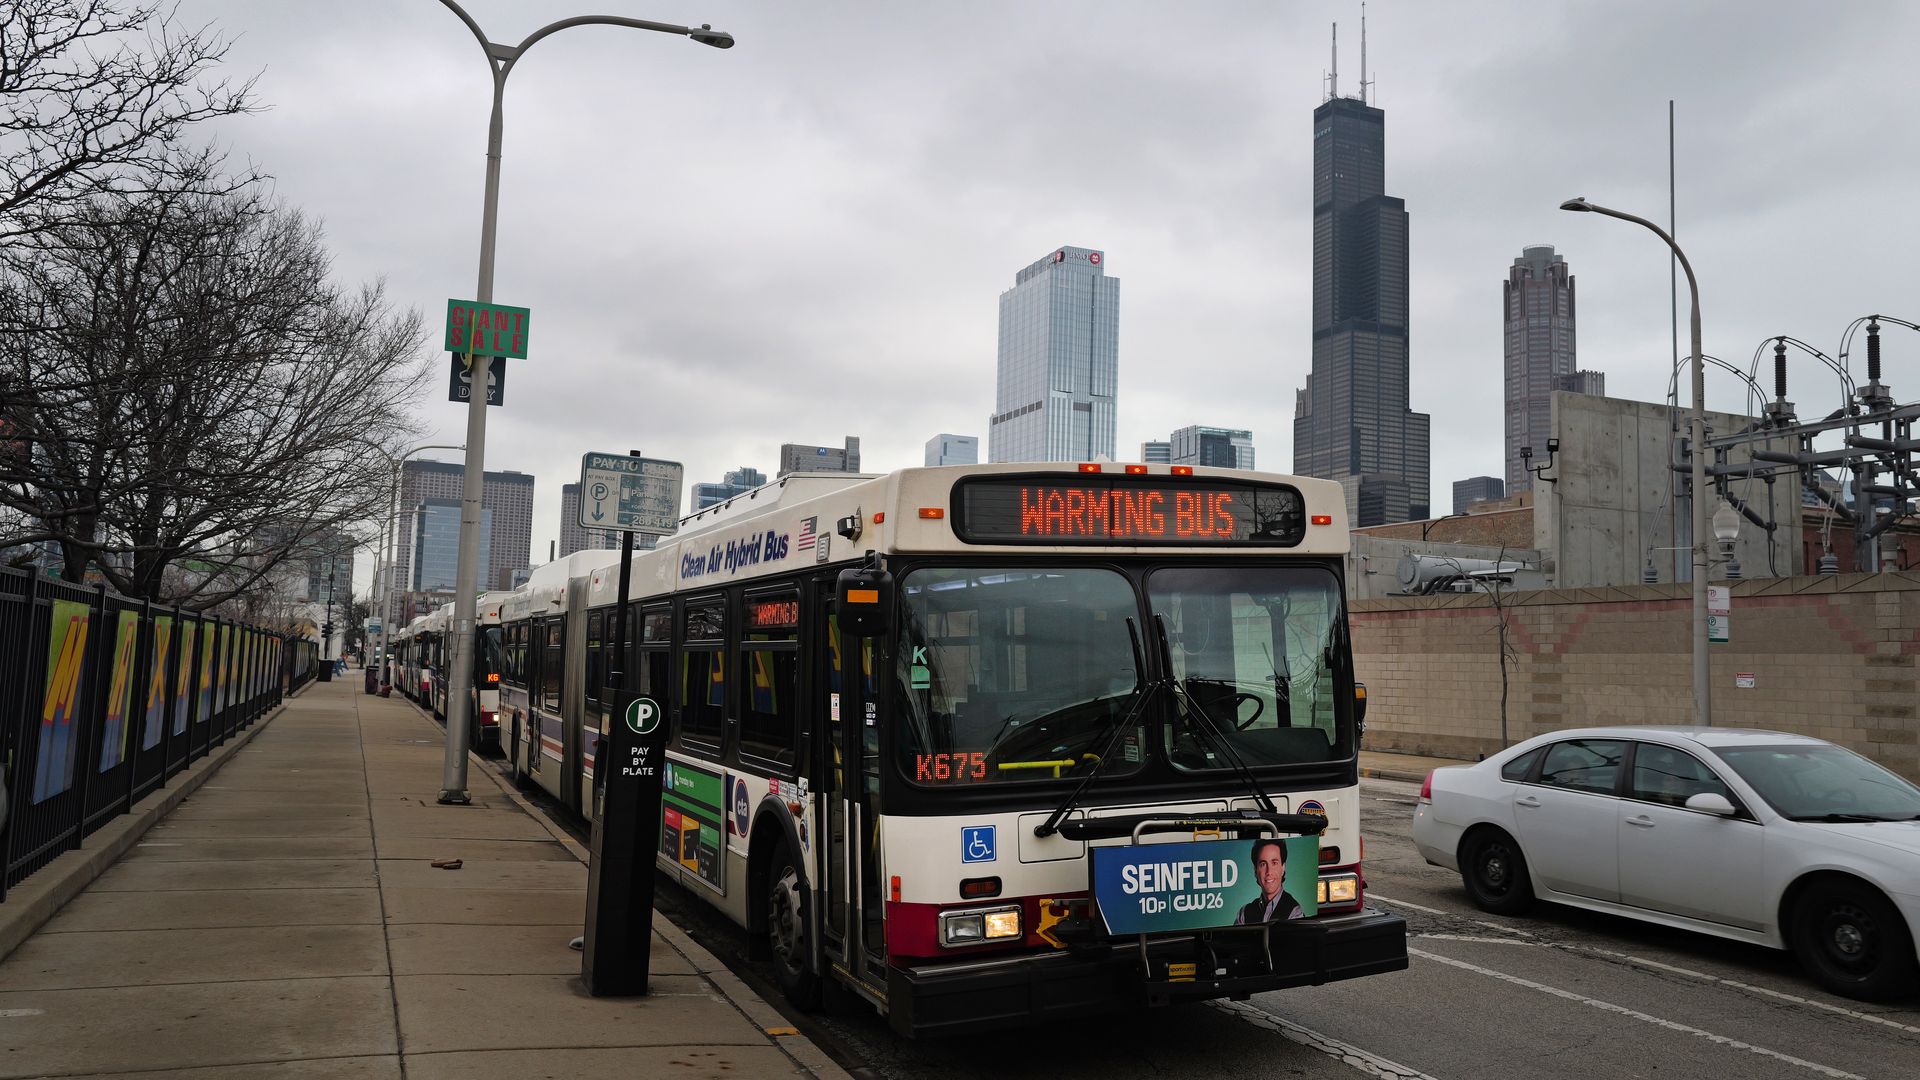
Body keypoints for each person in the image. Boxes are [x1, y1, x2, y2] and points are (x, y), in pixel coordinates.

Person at [1234, 838, 1304, 924]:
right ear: (1255, 871)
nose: (1269, 872)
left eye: (1274, 863)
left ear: (1283, 868)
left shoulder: (1295, 912)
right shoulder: (1243, 914)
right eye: (1263, 864)